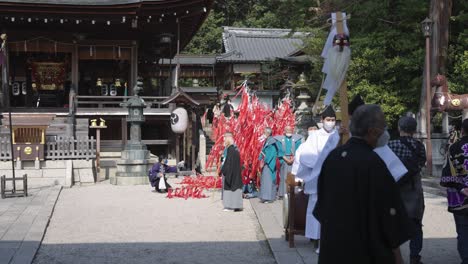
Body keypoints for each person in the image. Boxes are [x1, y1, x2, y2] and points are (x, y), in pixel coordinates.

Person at [313, 104, 411, 264]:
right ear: (372, 131)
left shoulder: (333, 158)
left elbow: (321, 207)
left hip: (333, 249)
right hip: (366, 250)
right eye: (383, 126)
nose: (385, 131)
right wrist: (396, 253)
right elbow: (388, 213)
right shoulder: (373, 163)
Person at [294, 106, 340, 252]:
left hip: (335, 177)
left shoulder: (339, 135)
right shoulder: (314, 136)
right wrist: (321, 164)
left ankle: (331, 239)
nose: (330, 122)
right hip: (319, 177)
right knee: (316, 206)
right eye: (328, 120)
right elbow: (305, 155)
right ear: (322, 120)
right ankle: (316, 237)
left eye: (333, 120)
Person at [388, 116, 426, 264]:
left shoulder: (391, 145)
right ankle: (415, 257)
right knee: (416, 224)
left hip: (395, 189)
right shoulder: (419, 146)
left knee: (393, 223)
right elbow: (421, 164)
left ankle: (394, 255)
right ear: (414, 129)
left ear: (399, 128)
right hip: (414, 189)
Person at [441, 118, 468, 264]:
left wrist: (462, 188)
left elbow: (447, 176)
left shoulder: (454, 148)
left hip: (461, 198)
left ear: (462, 131)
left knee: (463, 232)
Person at [276, 126, 303, 199]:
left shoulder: (297, 139)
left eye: (290, 130)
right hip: (284, 159)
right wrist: (286, 159)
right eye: (287, 130)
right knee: (284, 177)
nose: (289, 131)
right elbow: (280, 151)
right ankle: (283, 193)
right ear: (284, 131)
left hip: (294, 159)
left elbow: (298, 149)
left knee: (293, 176)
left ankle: (293, 193)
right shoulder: (280, 139)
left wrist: (293, 159)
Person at [220, 132, 243, 212]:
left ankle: (229, 206)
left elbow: (228, 163)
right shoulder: (235, 149)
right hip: (236, 172)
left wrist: (223, 170)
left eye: (224, 138)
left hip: (231, 172)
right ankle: (237, 205)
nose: (223, 140)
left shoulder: (230, 149)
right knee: (236, 188)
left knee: (230, 189)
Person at [259, 127, 279, 203]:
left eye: (264, 132)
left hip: (269, 163)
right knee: (265, 180)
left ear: (267, 133)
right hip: (267, 163)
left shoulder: (271, 141)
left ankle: (268, 198)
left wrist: (264, 161)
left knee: (268, 180)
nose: (263, 134)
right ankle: (266, 197)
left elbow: (271, 153)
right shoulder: (268, 140)